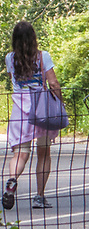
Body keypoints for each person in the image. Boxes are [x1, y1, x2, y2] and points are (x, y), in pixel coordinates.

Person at [3, 21, 62, 210]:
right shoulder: (43, 57)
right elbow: (53, 83)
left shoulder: (10, 58)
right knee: (43, 154)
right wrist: (60, 102)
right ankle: (39, 196)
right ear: (33, 38)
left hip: (20, 109)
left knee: (20, 154)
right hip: (41, 108)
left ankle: (12, 181)